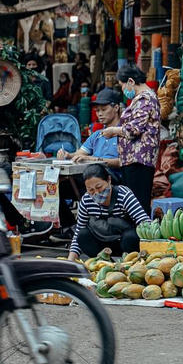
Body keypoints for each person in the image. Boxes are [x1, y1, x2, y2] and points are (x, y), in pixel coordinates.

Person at [66, 163, 151, 261]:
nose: (96, 193)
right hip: (102, 244)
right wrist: (70, 261)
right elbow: (78, 231)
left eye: (99, 187)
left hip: (125, 242)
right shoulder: (86, 200)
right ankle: (103, 262)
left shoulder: (124, 195)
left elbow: (144, 221)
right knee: (82, 235)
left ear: (109, 180)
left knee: (130, 237)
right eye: (91, 190)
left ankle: (131, 261)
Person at [102, 66, 159, 211]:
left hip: (139, 160)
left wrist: (113, 131)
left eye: (122, 85)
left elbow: (133, 129)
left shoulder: (145, 98)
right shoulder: (142, 98)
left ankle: (139, 233)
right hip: (133, 159)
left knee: (137, 204)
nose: (123, 90)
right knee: (133, 203)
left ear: (131, 81)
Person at [72, 88, 123, 172]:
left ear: (116, 107)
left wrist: (93, 159)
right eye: (97, 110)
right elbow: (79, 154)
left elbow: (123, 162)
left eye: (103, 110)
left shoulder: (124, 132)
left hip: (115, 179)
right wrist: (67, 155)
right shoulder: (97, 135)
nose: (99, 114)